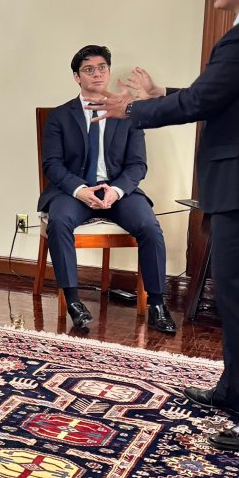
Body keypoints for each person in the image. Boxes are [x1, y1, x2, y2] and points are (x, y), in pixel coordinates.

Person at [91, 0, 239, 452]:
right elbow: (220, 94)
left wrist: (134, 111)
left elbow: (207, 99)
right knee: (233, 293)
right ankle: (237, 389)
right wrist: (163, 96)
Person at [40, 45, 175, 336]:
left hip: (117, 192)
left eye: (102, 68)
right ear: (77, 77)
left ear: (109, 72)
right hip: (74, 193)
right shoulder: (60, 116)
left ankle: (158, 304)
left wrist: (116, 190)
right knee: (59, 221)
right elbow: (52, 164)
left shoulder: (128, 114)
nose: (97, 74)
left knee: (150, 226)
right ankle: (74, 302)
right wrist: (79, 189)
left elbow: (138, 165)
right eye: (89, 69)